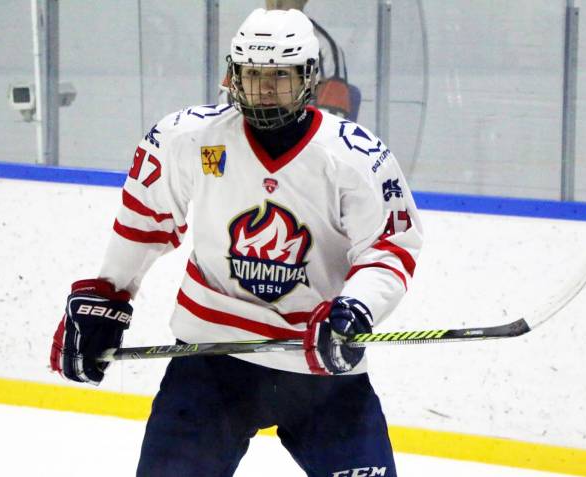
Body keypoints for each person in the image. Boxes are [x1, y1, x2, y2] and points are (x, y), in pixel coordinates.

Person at [50, 8, 422, 477]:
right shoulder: (188, 138)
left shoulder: (355, 156)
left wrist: (356, 308)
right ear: (233, 74)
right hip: (211, 358)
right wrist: (109, 293)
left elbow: (388, 248)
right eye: (252, 74)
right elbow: (145, 220)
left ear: (308, 77)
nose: (264, 88)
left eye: (280, 75)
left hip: (318, 365)